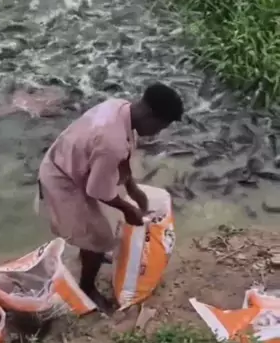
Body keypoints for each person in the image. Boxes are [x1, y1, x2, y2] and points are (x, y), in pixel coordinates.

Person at [37, 83, 184, 310]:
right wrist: (128, 208)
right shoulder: (110, 141)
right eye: (159, 126)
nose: (157, 133)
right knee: (99, 238)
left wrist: (132, 187)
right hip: (64, 180)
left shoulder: (119, 107)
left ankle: (90, 255)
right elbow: (96, 190)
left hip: (70, 162)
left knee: (96, 228)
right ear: (149, 114)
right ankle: (87, 287)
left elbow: (122, 155)